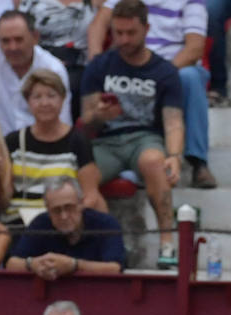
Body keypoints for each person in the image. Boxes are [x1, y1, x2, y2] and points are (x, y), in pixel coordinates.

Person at [80, 0, 183, 268]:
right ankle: (107, 243)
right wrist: (99, 115)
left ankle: (167, 243)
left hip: (144, 138)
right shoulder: (99, 65)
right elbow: (87, 120)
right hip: (106, 141)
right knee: (80, 177)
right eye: (118, 33)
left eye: (130, 33)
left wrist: (174, 155)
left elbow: (173, 121)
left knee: (154, 162)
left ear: (146, 29)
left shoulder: (164, 71)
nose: (123, 39)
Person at [0, 69, 103, 227]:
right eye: (37, 97)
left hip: (63, 223)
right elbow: (3, 201)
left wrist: (66, 219)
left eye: (51, 96)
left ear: (62, 99)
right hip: (21, 224)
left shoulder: (78, 141)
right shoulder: (13, 141)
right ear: (28, 102)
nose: (45, 103)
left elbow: (90, 196)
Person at [0, 10, 71, 148]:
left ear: (35, 37)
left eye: (19, 39)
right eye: (5, 41)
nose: (13, 47)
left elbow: (63, 122)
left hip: (37, 148)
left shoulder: (53, 68)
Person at [5, 176, 124, 276]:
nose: (64, 216)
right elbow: (12, 264)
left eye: (69, 207)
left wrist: (74, 265)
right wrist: (33, 264)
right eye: (56, 210)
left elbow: (115, 269)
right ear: (48, 210)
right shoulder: (41, 223)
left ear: (81, 204)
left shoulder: (105, 223)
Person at [18, 0, 96, 118]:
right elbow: (20, 33)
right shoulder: (30, 3)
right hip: (39, 62)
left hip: (78, 65)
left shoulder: (96, 3)